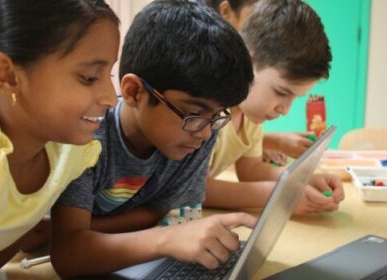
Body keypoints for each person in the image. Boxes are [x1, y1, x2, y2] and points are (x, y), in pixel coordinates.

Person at [50, 0, 256, 278]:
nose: (206, 132)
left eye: (217, 115)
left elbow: (161, 212)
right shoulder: (88, 137)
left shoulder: (197, 132)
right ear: (135, 92)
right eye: (194, 112)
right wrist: (167, 239)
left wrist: (92, 229)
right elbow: (68, 254)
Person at [0, 0, 120, 276]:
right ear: (8, 75)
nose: (110, 98)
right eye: (89, 77)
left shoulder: (66, 154)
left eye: (108, 74)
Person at [203, 0, 345, 215]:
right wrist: (275, 194)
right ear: (248, 61)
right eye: (282, 92)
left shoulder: (249, 113)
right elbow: (193, 187)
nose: (285, 110)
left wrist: (301, 181)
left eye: (295, 98)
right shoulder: (205, 108)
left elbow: (251, 169)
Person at [202, 0, 317, 166]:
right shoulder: (207, 90)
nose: (267, 31)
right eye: (258, 15)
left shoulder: (249, 105)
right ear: (226, 12)